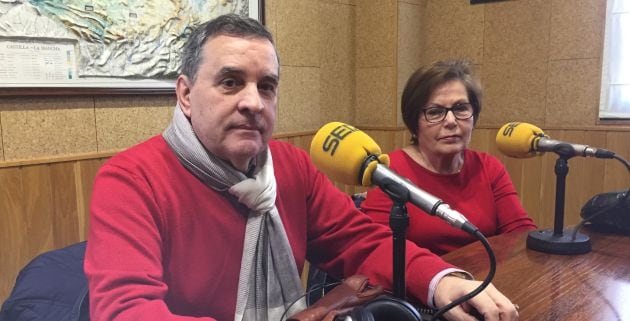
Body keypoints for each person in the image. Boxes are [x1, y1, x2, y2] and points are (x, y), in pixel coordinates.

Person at [84, 15, 519, 321]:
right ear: (184, 94)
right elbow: (126, 310)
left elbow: (363, 244)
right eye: (231, 81)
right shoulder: (130, 179)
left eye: (267, 86)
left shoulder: (290, 166)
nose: (253, 101)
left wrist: (441, 280)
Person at [361, 60, 537, 256]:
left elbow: (520, 233)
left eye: (461, 108)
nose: (451, 121)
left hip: (487, 280)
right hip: (424, 284)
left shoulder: (489, 167)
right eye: (435, 112)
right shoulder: (389, 172)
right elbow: (377, 251)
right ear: (414, 121)